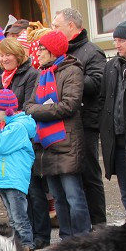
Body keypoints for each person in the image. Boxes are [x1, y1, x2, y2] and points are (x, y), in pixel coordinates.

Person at [26, 29, 90, 238]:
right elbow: (28, 105)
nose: (38, 53)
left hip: (67, 142)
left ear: (53, 51)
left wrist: (38, 111)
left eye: (42, 49)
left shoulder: (71, 71)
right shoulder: (42, 72)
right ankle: (66, 238)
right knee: (58, 198)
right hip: (46, 144)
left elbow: (69, 106)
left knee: (74, 196)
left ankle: (82, 238)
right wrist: (40, 109)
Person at [52, 7, 107, 224]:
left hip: (86, 122)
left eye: (57, 26)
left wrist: (69, 82)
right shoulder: (60, 53)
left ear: (71, 26)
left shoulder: (91, 52)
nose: (54, 30)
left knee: (90, 173)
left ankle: (98, 221)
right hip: (64, 122)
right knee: (72, 176)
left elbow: (98, 82)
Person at [99, 21, 126, 220]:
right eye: (115, 40)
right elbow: (104, 99)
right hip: (116, 139)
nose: (117, 44)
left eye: (122, 40)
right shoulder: (111, 66)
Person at [0, 89, 36, 251]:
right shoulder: (8, 126)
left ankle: (27, 246)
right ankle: (18, 247)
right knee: (13, 218)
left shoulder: (17, 127)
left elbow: (0, 145)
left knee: (19, 217)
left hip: (13, 178)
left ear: (7, 110)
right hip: (5, 178)